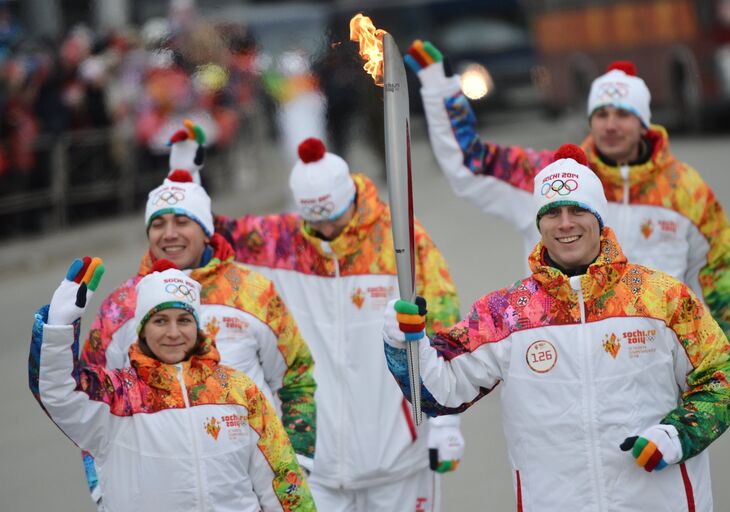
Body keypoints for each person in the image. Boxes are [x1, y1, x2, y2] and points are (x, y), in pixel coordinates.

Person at [383, 144, 730, 511]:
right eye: (552, 213)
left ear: (599, 218)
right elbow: (436, 393)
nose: (565, 223)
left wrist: (678, 435)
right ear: (539, 224)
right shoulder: (506, 313)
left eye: (578, 210)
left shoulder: (661, 298)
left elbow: (723, 380)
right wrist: (403, 343)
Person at [405, 41, 730, 358]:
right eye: (601, 115)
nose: (610, 126)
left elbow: (715, 276)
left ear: (643, 123)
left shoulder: (684, 190)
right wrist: (439, 88)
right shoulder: (556, 179)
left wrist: (723, 359)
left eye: (622, 115)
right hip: (562, 361)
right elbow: (471, 162)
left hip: (655, 364)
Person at [215, 137, 463, 511]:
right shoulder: (281, 242)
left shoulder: (399, 239)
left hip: (399, 457)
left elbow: (444, 323)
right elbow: (205, 233)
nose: (328, 229)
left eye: (334, 217)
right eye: (316, 221)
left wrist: (446, 423)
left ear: (351, 198)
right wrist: (183, 175)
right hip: (320, 466)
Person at [78, 122, 317, 507]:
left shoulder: (253, 292)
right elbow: (88, 403)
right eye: (158, 223)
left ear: (206, 230)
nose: (168, 234)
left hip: (244, 486)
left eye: (182, 221)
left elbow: (296, 378)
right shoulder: (120, 307)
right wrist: (100, 485)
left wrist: (296, 460)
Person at [29, 257, 315, 511]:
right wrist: (59, 327)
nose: (174, 332)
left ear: (197, 325)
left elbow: (281, 483)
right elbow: (58, 391)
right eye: (161, 321)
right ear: (141, 328)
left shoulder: (239, 391)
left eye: (184, 320)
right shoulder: (116, 398)